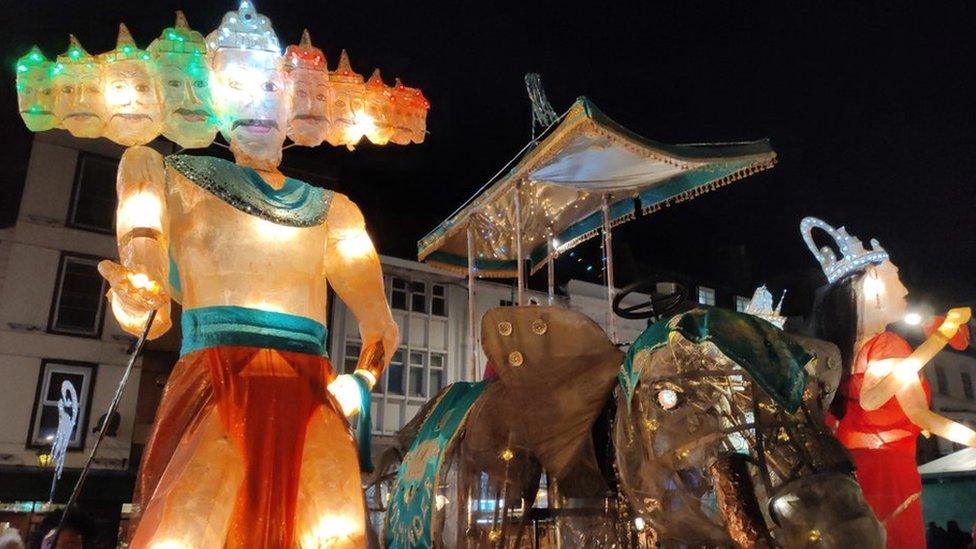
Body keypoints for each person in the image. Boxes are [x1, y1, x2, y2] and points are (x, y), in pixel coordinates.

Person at [100, 3, 397, 548]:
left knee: (337, 534)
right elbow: (148, 307)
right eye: (236, 81)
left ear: (296, 99)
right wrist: (134, 297)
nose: (257, 100)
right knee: (186, 532)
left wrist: (355, 386)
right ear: (208, 96)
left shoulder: (337, 213)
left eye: (271, 84)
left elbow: (381, 329)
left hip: (312, 395)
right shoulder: (159, 174)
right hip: (216, 381)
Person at [803, 217, 976, 549]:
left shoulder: (838, 352)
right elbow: (877, 400)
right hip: (888, 471)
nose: (905, 288)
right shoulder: (887, 345)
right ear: (873, 284)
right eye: (896, 277)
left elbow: (912, 415)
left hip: (846, 471)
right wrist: (938, 339)